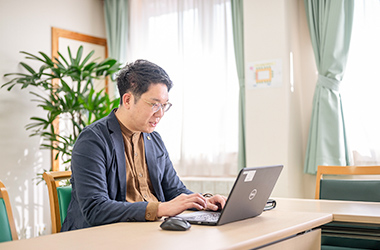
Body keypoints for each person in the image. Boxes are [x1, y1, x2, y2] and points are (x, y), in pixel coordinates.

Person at [61, 59, 226, 231]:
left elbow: (174, 190)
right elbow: (96, 209)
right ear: (127, 100)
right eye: (155, 105)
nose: (161, 114)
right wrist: (160, 209)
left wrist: (204, 202)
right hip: (104, 236)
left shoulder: (154, 139)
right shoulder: (93, 140)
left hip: (149, 231)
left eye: (164, 105)